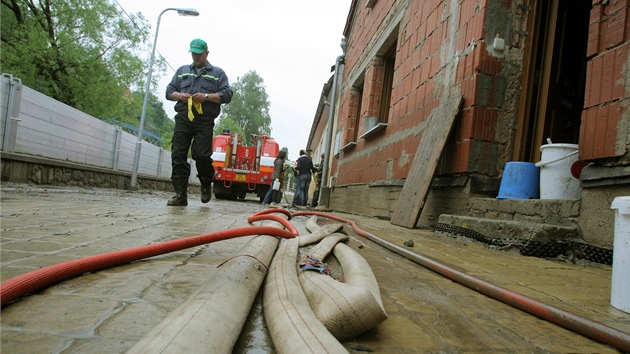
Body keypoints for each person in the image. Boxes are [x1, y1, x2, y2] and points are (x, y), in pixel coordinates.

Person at [164, 39, 233, 206]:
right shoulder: (182, 71)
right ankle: (180, 195)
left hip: (204, 119)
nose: (196, 57)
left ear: (206, 53)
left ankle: (205, 182)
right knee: (178, 154)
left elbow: (227, 95)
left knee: (201, 154)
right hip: (183, 117)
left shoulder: (218, 73)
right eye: (193, 53)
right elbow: (169, 92)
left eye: (199, 54)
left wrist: (207, 97)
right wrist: (180, 96)